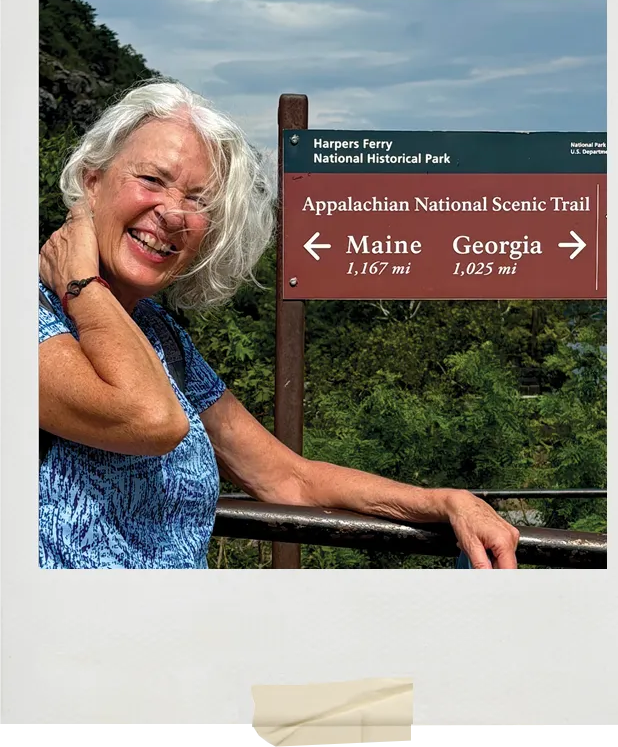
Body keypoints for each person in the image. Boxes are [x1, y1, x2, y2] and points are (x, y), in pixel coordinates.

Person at [38, 79, 520, 570]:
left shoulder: (159, 335)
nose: (173, 213)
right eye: (153, 180)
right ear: (92, 181)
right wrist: (81, 284)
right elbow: (152, 421)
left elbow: (286, 477)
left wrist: (443, 502)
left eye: (200, 201)